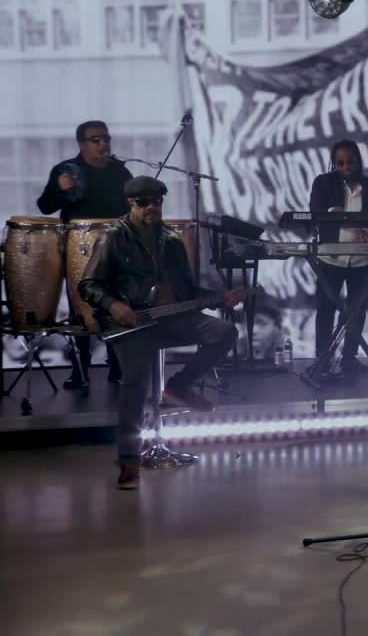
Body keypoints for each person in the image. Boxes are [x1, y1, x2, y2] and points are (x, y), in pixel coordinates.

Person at [78, 176, 242, 490]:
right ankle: (130, 462)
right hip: (133, 324)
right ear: (131, 203)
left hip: (172, 318)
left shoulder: (172, 240)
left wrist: (220, 298)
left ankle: (179, 385)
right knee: (135, 387)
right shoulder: (113, 237)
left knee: (224, 331)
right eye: (144, 202)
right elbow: (88, 285)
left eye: (157, 201)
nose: (152, 207)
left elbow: (188, 291)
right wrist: (113, 305)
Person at [36, 120, 134, 389]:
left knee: (116, 301)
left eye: (106, 138)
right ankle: (80, 369)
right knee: (81, 305)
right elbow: (44, 206)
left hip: (115, 246)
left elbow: (132, 206)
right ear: (82, 143)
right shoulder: (67, 170)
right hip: (79, 247)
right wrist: (61, 191)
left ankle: (116, 365)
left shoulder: (119, 170)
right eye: (96, 139)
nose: (104, 143)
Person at [308, 140, 368, 377]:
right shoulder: (323, 183)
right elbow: (315, 214)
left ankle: (350, 359)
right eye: (340, 163)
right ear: (334, 163)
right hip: (330, 257)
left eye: (350, 162)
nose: (345, 167)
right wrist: (332, 214)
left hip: (361, 259)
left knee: (357, 310)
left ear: (359, 161)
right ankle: (322, 359)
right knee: (326, 309)